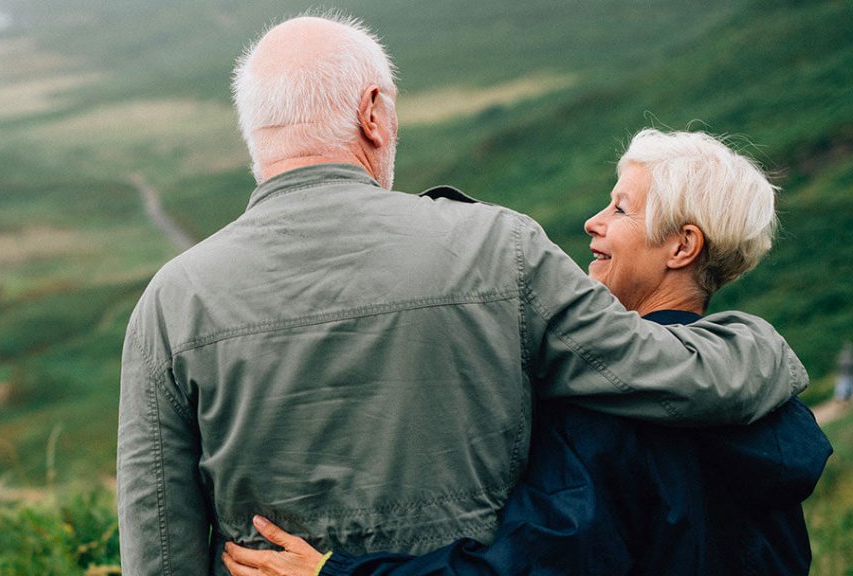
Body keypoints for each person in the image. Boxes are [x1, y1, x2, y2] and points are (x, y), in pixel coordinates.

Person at [116, 15, 807, 575]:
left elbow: (160, 543)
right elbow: (662, 371)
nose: (598, 223)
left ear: (255, 133)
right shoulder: (498, 249)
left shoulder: (171, 301)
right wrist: (763, 346)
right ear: (374, 114)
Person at [221, 129, 833, 576]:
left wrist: (334, 574)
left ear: (682, 247)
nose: (594, 222)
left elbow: (524, 569)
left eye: (621, 208)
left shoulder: (608, 407)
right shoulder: (771, 405)